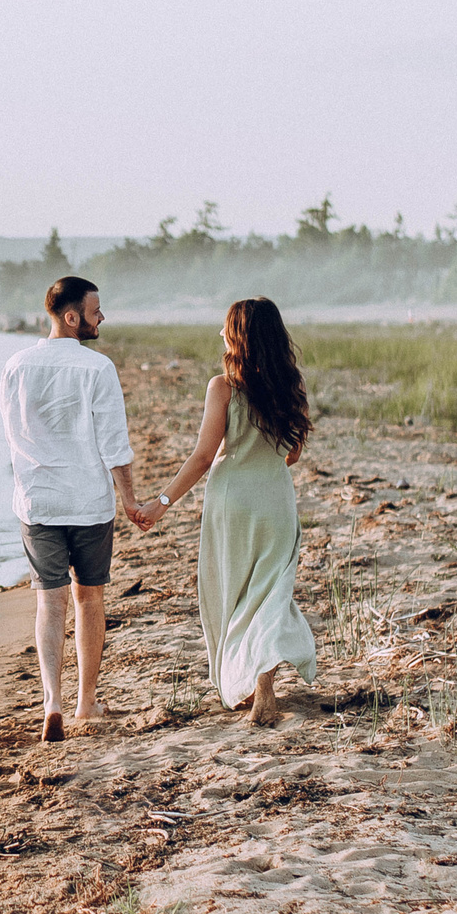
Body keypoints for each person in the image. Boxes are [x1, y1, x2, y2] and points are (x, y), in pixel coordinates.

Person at [136, 297, 318, 726]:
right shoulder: (292, 385)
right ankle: (265, 681)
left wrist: (160, 504)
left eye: (225, 327)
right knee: (271, 593)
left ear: (238, 335)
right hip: (274, 498)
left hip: (231, 502)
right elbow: (291, 454)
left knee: (231, 595)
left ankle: (243, 682)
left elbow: (202, 457)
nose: (220, 333)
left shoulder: (223, 387)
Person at [0, 275, 152, 744]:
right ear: (72, 317)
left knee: (49, 599)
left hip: (39, 502)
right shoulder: (97, 368)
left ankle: (52, 702)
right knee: (89, 598)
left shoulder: (15, 366)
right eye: (95, 310)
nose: (101, 317)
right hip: (87, 503)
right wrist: (131, 501)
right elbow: (114, 445)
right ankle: (86, 702)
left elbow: (14, 437)